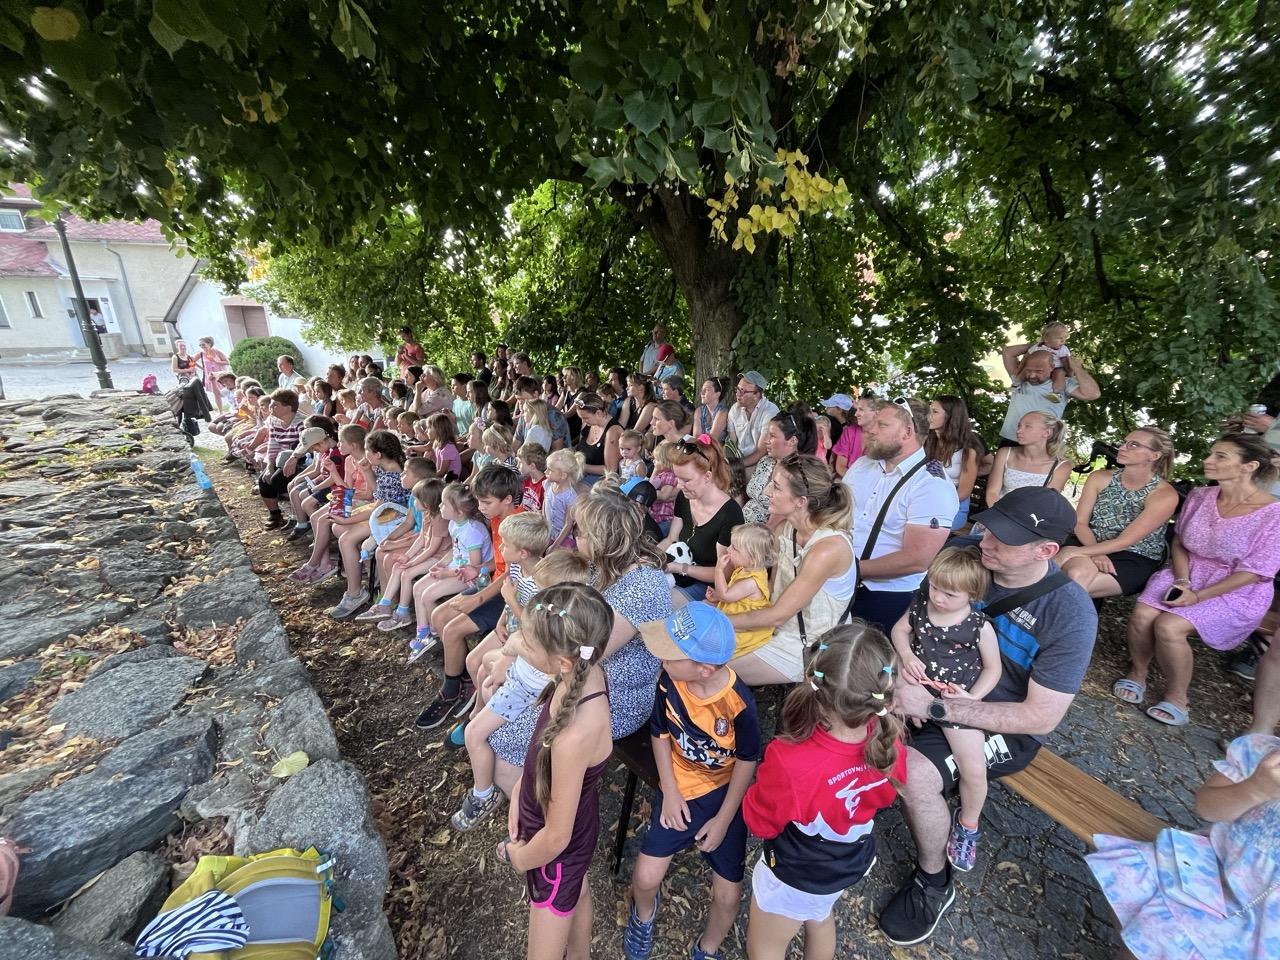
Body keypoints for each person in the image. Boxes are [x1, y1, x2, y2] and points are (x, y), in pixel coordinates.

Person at [879, 486, 1097, 947]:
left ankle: (934, 880)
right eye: (989, 526)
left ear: (1046, 551)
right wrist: (901, 680)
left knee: (912, 775)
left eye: (1005, 538)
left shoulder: (1069, 613)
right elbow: (912, 625)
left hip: (998, 717)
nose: (986, 540)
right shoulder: (964, 553)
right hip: (929, 688)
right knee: (844, 705)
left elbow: (1039, 718)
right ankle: (839, 825)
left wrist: (934, 707)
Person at [487, 492, 673, 796]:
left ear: (602, 540)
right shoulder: (602, 567)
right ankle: (530, 803)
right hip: (577, 682)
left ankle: (540, 818)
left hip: (613, 699)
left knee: (503, 751)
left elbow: (577, 656)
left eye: (579, 531)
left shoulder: (640, 588)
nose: (574, 537)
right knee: (496, 710)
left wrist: (515, 647)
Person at [742, 625, 906, 960]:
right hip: (848, 859)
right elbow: (887, 795)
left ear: (814, 679)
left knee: (765, 947)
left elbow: (760, 822)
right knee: (819, 916)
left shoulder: (790, 760)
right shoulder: (888, 740)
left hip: (798, 870)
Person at [624, 603, 761, 960]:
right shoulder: (669, 680)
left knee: (728, 896)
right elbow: (659, 734)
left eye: (670, 654)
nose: (661, 658)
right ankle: (643, 916)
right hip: (680, 785)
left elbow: (747, 761)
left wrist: (724, 820)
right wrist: (669, 791)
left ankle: (708, 948)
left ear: (704, 669)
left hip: (723, 795)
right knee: (645, 878)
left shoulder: (739, 704)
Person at [1119, 434, 1280, 727]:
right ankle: (1138, 672)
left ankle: (1177, 698)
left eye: (1221, 456)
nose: (1208, 460)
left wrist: (1197, 596)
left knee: (1169, 626)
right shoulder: (1200, 496)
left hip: (1238, 589)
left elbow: (1255, 572)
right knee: (1143, 615)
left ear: (1249, 466)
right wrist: (1183, 580)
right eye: (1211, 453)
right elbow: (1180, 542)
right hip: (1188, 572)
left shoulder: (1273, 514)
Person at [1085, 732, 1280, 960]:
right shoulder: (1260, 753)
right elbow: (1207, 807)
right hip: (1211, 872)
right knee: (1143, 914)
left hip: (1265, 926)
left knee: (1167, 940)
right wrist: (1256, 789)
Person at [498, 584, 614, 960]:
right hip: (564, 826)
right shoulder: (583, 672)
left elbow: (557, 837)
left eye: (529, 644)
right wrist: (521, 788)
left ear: (563, 661)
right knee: (578, 891)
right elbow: (545, 758)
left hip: (555, 856)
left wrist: (519, 858)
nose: (520, 644)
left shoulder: (574, 735)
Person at [452, 540, 584, 824]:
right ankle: (487, 783)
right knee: (484, 687)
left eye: (542, 588)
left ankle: (483, 795)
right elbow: (519, 641)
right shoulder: (551, 614)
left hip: (525, 690)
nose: (536, 592)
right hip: (520, 681)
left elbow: (526, 645)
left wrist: (511, 651)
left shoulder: (556, 626)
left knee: (475, 734)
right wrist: (507, 656)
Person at [889, 547, 1001, 872]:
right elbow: (899, 630)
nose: (938, 597)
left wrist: (972, 699)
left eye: (950, 594)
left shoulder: (978, 626)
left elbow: (993, 669)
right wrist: (907, 656)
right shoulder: (921, 604)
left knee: (974, 769)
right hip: (916, 688)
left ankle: (968, 824)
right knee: (877, 723)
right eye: (935, 587)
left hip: (955, 702)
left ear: (972, 594)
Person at [727, 456, 857, 685]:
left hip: (810, 644)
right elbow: (771, 589)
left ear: (801, 501)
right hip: (777, 628)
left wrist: (720, 620)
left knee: (708, 668)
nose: (767, 491)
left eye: (776, 487)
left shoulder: (827, 549)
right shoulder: (785, 529)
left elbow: (778, 614)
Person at [415, 466, 526, 729]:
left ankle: (451, 689)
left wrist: (477, 599)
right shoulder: (497, 517)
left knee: (452, 630)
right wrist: (478, 569)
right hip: (493, 584)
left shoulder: (518, 524)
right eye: (480, 501)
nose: (481, 508)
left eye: (486, 502)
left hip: (508, 593)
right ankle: (463, 678)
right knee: (439, 615)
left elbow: (512, 573)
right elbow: (499, 562)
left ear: (507, 500)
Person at [843, 399, 957, 631]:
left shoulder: (932, 485)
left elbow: (916, 559)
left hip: (884, 596)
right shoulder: (863, 465)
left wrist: (848, 569)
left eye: (882, 425)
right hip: (838, 581)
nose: (871, 429)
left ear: (907, 432)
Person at [1055, 427, 1179, 599]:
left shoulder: (1164, 495)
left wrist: (1071, 552)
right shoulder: (1099, 478)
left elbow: (1124, 541)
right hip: (1088, 540)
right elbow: (1080, 522)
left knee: (1072, 582)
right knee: (1076, 575)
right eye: (1124, 443)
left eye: (1133, 445)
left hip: (1134, 555)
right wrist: (1096, 552)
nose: (1122, 448)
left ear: (1154, 455)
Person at [327, 430, 411, 620]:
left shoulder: (393, 475)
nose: (365, 454)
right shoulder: (384, 466)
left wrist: (348, 519)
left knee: (346, 539)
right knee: (339, 528)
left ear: (378, 454)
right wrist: (366, 471)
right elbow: (377, 493)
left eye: (367, 450)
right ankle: (368, 571)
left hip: (393, 519)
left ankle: (355, 593)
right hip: (385, 514)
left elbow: (378, 509)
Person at [408, 481, 492, 659]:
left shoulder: (472, 532)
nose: (439, 506)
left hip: (471, 578)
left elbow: (473, 569)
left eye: (444, 504)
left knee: (428, 596)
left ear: (459, 511)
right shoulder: (454, 523)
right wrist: (442, 564)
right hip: (456, 568)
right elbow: (455, 550)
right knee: (417, 588)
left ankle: (435, 632)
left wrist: (446, 573)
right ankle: (422, 631)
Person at [658, 436, 743, 601]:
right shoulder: (684, 497)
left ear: (707, 476)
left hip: (707, 586)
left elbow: (724, 572)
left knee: (657, 602)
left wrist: (682, 568)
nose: (679, 485)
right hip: (676, 570)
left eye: (686, 480)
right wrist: (650, 558)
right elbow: (671, 539)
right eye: (677, 478)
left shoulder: (730, 514)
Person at [359, 477, 450, 629]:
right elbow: (421, 539)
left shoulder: (439, 520)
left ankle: (403, 613)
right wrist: (407, 556)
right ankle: (384, 605)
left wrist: (412, 562)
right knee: (398, 567)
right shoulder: (428, 514)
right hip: (429, 553)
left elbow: (433, 549)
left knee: (407, 573)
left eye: (416, 499)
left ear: (426, 503)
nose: (414, 502)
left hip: (439, 557)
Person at [997, 344, 1100, 446]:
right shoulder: (1020, 379)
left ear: (1052, 367)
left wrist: (1077, 368)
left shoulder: (1063, 383)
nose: (1032, 375)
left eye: (1038, 371)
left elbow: (1093, 394)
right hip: (1010, 440)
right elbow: (1008, 352)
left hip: (1041, 444)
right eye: (1028, 370)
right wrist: (1042, 344)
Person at [707, 522, 776, 658]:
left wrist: (719, 570)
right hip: (733, 613)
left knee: (713, 642)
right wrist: (717, 596)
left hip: (742, 627)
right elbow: (732, 593)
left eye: (734, 548)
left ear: (753, 558)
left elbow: (726, 595)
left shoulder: (751, 582)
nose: (728, 549)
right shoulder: (746, 568)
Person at [742, 405, 818, 526]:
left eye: (772, 436)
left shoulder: (795, 474)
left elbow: (774, 524)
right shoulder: (766, 461)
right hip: (742, 525)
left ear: (792, 441)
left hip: (764, 534)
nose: (766, 440)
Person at [984, 411, 1073, 505]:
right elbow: (992, 493)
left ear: (1047, 432)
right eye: (1019, 426)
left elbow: (1046, 504)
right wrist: (998, 512)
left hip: (1034, 514)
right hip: (998, 510)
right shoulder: (1005, 453)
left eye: (1027, 426)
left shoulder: (1061, 466)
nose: (1018, 431)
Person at [924, 396, 983, 530]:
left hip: (953, 505)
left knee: (925, 527)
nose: (928, 415)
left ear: (950, 417)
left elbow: (963, 493)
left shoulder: (968, 451)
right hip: (924, 498)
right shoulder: (926, 441)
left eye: (935, 411)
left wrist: (931, 504)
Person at [257, 390, 307, 530]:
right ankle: (275, 515)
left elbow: (304, 447)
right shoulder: (274, 421)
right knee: (264, 480)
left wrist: (292, 459)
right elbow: (273, 444)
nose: (271, 407)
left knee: (278, 480)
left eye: (275, 405)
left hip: (299, 459)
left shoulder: (301, 423)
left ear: (288, 408)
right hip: (281, 458)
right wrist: (269, 466)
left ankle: (301, 513)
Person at [726, 371, 780, 475]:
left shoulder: (770, 412)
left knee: (735, 476)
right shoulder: (735, 409)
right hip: (739, 459)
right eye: (737, 389)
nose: (737, 394)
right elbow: (731, 443)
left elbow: (761, 451)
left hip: (762, 464)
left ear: (757, 395)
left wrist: (736, 465)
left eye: (742, 391)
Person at [543, 448, 588, 550]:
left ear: (563, 475)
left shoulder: (570, 497)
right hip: (549, 533)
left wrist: (555, 546)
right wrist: (544, 525)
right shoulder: (548, 484)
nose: (545, 472)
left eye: (550, 470)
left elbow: (568, 524)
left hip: (563, 539)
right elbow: (545, 502)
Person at [574, 392, 621, 485]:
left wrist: (581, 466)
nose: (583, 421)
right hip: (583, 474)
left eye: (586, 418)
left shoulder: (612, 431)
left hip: (602, 481)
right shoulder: (589, 423)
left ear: (598, 413)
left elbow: (611, 470)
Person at [1026, 321, 1072, 394]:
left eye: (1064, 338)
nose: (1063, 341)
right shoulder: (1038, 347)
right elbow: (1027, 357)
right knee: (1027, 370)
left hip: (1057, 368)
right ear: (1046, 339)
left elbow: (1065, 362)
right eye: (1059, 338)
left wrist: (1069, 373)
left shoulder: (1062, 349)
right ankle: (1017, 383)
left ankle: (1057, 393)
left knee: (1059, 375)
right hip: (1042, 368)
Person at [823, 393, 862, 478]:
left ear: (839, 409)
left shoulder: (848, 430)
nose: (826, 409)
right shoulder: (840, 427)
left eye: (829, 406)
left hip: (842, 475)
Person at [195, 337, 231, 413]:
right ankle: (221, 411)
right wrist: (202, 368)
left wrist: (215, 361)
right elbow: (191, 360)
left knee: (228, 391)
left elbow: (227, 362)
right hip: (211, 377)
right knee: (216, 394)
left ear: (209, 344)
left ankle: (233, 406)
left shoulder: (217, 352)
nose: (202, 347)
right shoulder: (201, 353)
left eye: (203, 345)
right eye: (200, 345)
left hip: (221, 376)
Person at [696, 377, 729, 443]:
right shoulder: (699, 411)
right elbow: (696, 436)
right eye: (702, 389)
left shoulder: (723, 412)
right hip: (700, 447)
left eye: (707, 390)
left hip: (717, 448)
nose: (702, 393)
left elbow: (711, 439)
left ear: (717, 394)